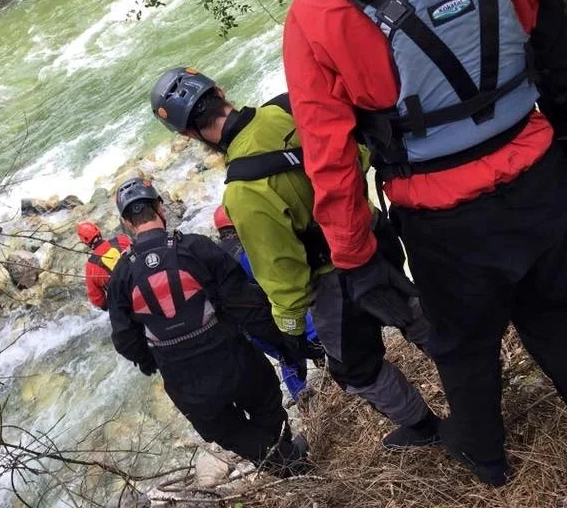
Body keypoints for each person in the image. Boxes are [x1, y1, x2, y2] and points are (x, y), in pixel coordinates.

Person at [282, 0, 567, 486]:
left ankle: (485, 461)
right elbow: (557, 57)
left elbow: (332, 165)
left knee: (463, 349)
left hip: (444, 224)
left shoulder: (316, 15)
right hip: (542, 180)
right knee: (558, 313)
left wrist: (358, 263)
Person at [151, 67, 439, 451]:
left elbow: (283, 274)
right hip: (374, 235)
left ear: (188, 134)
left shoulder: (243, 192)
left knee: (356, 369)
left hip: (336, 279)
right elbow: (359, 154)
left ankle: (425, 427)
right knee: (414, 314)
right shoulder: (290, 108)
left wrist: (290, 331)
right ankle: (472, 378)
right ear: (219, 90)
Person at [106, 177, 311, 476]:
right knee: (266, 403)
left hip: (185, 381)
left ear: (126, 223)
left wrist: (155, 361)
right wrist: (285, 344)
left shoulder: (121, 276)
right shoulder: (196, 247)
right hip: (233, 359)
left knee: (227, 430)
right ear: (160, 207)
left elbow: (126, 341)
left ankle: (284, 463)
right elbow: (248, 306)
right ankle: (289, 459)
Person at [213, 205, 319, 403]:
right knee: (311, 337)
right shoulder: (247, 253)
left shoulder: (214, 257)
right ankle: (330, 374)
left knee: (287, 355)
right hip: (268, 316)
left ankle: (303, 399)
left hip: (245, 329)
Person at [77, 221, 132, 310]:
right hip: (141, 284)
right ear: (99, 232)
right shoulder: (121, 240)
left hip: (125, 304)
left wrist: (107, 307)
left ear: (85, 242)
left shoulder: (90, 267)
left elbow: (98, 300)